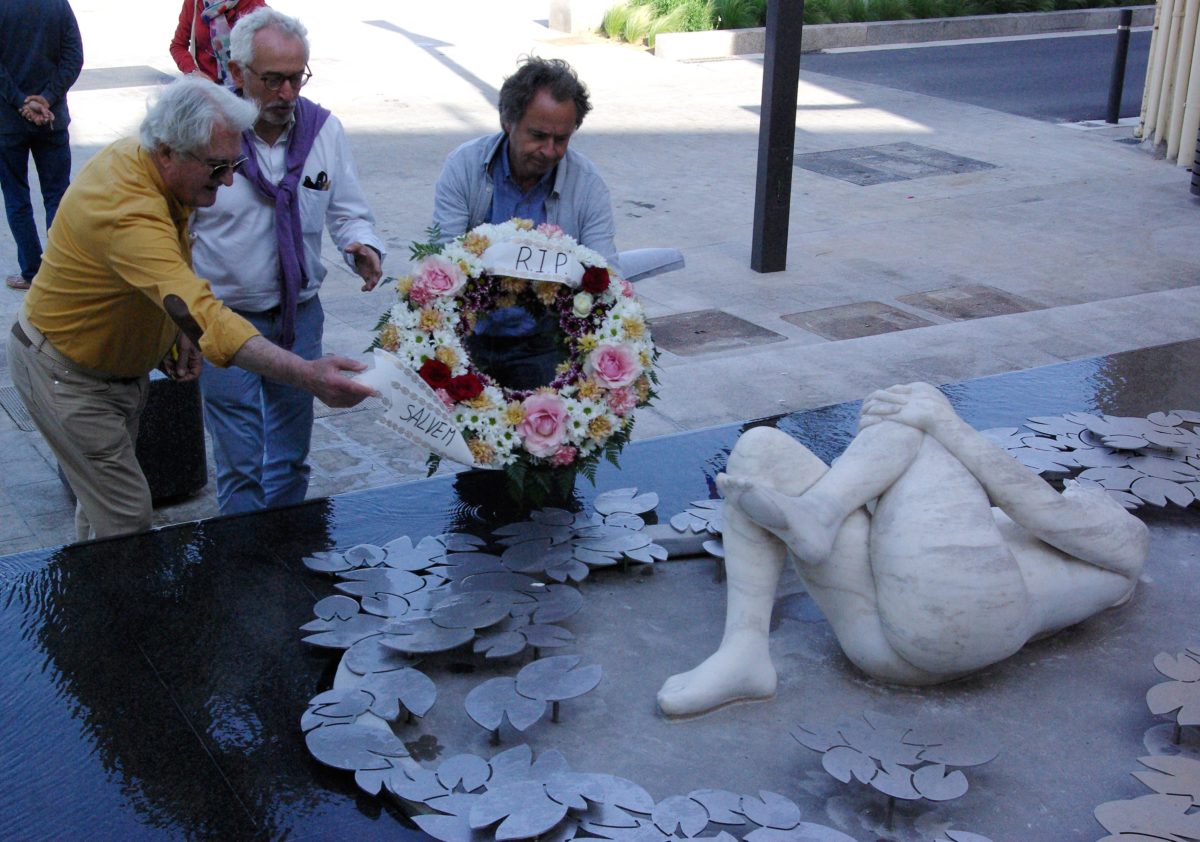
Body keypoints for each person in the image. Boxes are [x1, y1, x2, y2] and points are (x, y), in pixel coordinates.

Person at [7, 77, 375, 543]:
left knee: (99, 510)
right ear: (167, 150)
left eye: (235, 163)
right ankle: (119, 615)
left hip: (112, 372)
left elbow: (171, 274)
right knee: (125, 520)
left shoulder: (154, 167)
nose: (229, 179)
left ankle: (90, 607)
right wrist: (309, 375)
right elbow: (206, 315)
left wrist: (173, 331)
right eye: (219, 166)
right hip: (67, 377)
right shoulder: (127, 207)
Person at [657, 383, 1149, 716]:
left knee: (920, 418)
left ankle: (822, 513)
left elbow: (1045, 512)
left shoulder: (1117, 530)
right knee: (761, 449)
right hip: (886, 622)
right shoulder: (992, 522)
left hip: (962, 621)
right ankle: (743, 654)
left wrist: (945, 422)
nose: (1079, 487)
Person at [190, 8, 384, 515]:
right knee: (240, 464)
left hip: (299, 319)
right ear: (237, 74)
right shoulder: (206, 133)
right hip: (225, 321)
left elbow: (348, 211)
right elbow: (176, 233)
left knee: (291, 460)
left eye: (296, 78)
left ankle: (284, 558)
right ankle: (245, 568)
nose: (286, 94)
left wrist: (360, 245)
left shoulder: (323, 130)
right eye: (272, 80)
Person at [432, 56, 617, 389]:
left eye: (561, 139)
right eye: (538, 135)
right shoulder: (465, 166)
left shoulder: (587, 184)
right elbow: (444, 260)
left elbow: (607, 274)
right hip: (468, 334)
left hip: (544, 342)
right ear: (507, 120)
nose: (549, 150)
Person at [0, 0, 83, 291]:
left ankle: (32, 271)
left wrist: (21, 100)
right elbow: (74, 58)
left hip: (8, 122)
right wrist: (47, 97)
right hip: (52, 119)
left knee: (16, 196)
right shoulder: (58, 4)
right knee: (58, 196)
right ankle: (62, 270)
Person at [169, 0, 266, 88]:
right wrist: (193, 72)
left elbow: (270, 43)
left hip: (247, 89)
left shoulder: (253, 3)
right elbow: (178, 45)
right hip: (210, 92)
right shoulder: (193, 3)